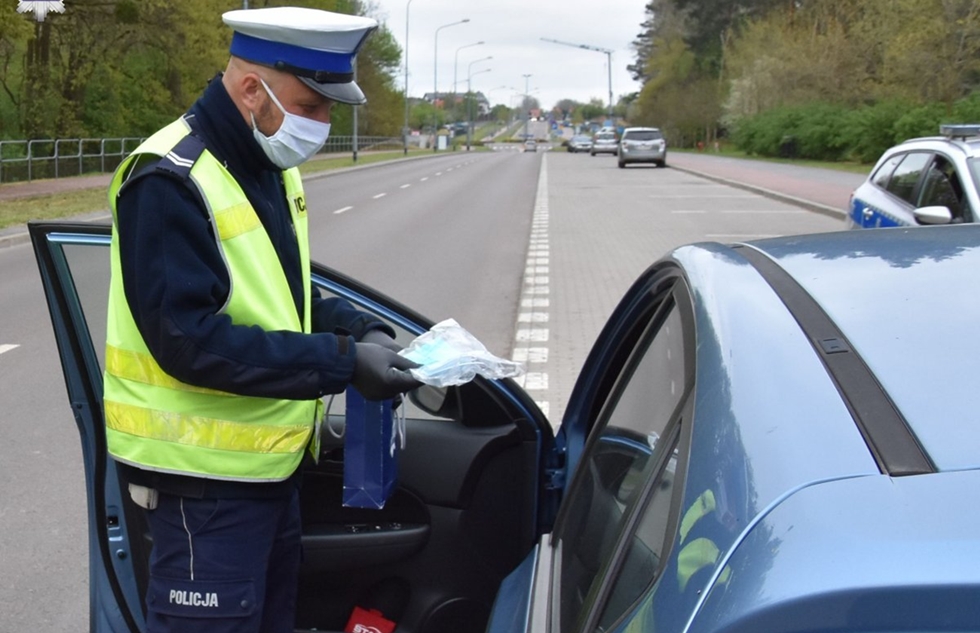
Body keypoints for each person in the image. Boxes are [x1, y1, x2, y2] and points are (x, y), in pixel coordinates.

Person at [102, 7, 420, 632]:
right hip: (203, 493)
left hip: (269, 475)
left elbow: (282, 297)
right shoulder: (170, 178)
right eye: (312, 106)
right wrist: (343, 362)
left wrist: (358, 328)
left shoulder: (266, 165)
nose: (323, 124)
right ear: (253, 90)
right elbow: (188, 341)